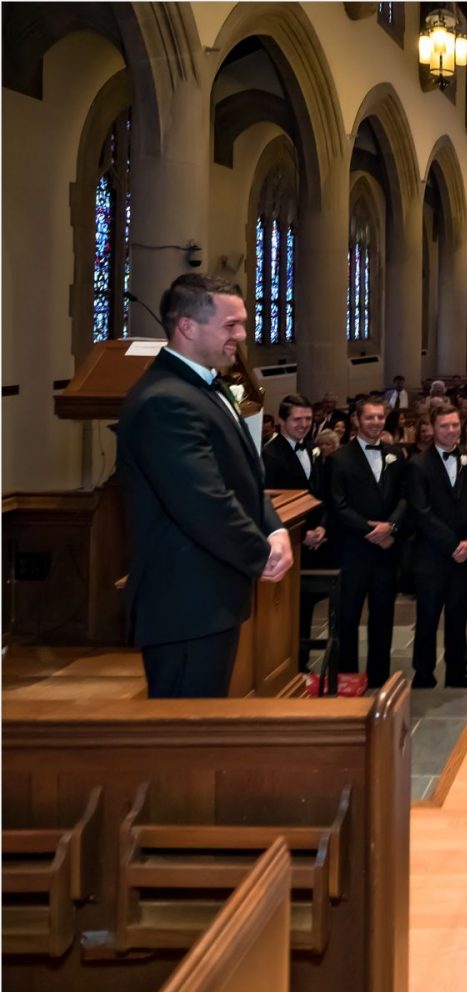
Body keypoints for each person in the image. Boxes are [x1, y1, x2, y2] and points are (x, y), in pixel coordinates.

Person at [116, 273, 292, 698]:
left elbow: (245, 473)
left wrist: (276, 527)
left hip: (208, 598)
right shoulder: (166, 400)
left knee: (203, 728)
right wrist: (260, 553)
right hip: (185, 604)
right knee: (182, 737)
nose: (242, 335)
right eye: (231, 325)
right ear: (187, 326)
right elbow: (203, 500)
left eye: (243, 324)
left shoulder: (203, 387)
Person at [326, 394, 408, 688]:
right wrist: (370, 531)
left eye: (380, 417)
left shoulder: (395, 454)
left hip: (387, 550)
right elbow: (337, 504)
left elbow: (404, 496)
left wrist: (392, 526)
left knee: (383, 616)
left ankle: (379, 675)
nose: (376, 422)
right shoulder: (338, 458)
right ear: (356, 420)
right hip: (353, 550)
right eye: (370, 417)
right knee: (347, 618)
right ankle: (348, 677)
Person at [406, 404, 467, 689]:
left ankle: (457, 671)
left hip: (464, 553)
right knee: (428, 615)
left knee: (458, 614)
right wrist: (453, 543)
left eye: (455, 425)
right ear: (431, 428)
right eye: (444, 426)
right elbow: (421, 511)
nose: (451, 430)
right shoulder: (418, 464)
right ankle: (424, 673)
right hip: (431, 554)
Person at [261, 393, 330, 671]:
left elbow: (321, 494)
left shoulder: (312, 448)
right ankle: (287, 665)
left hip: (314, 541)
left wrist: (322, 526)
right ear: (281, 421)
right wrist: (302, 536)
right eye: (297, 420)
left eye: (308, 420)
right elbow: (270, 505)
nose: (303, 425)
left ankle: (300, 661)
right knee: (287, 608)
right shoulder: (270, 455)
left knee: (306, 606)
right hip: (289, 543)